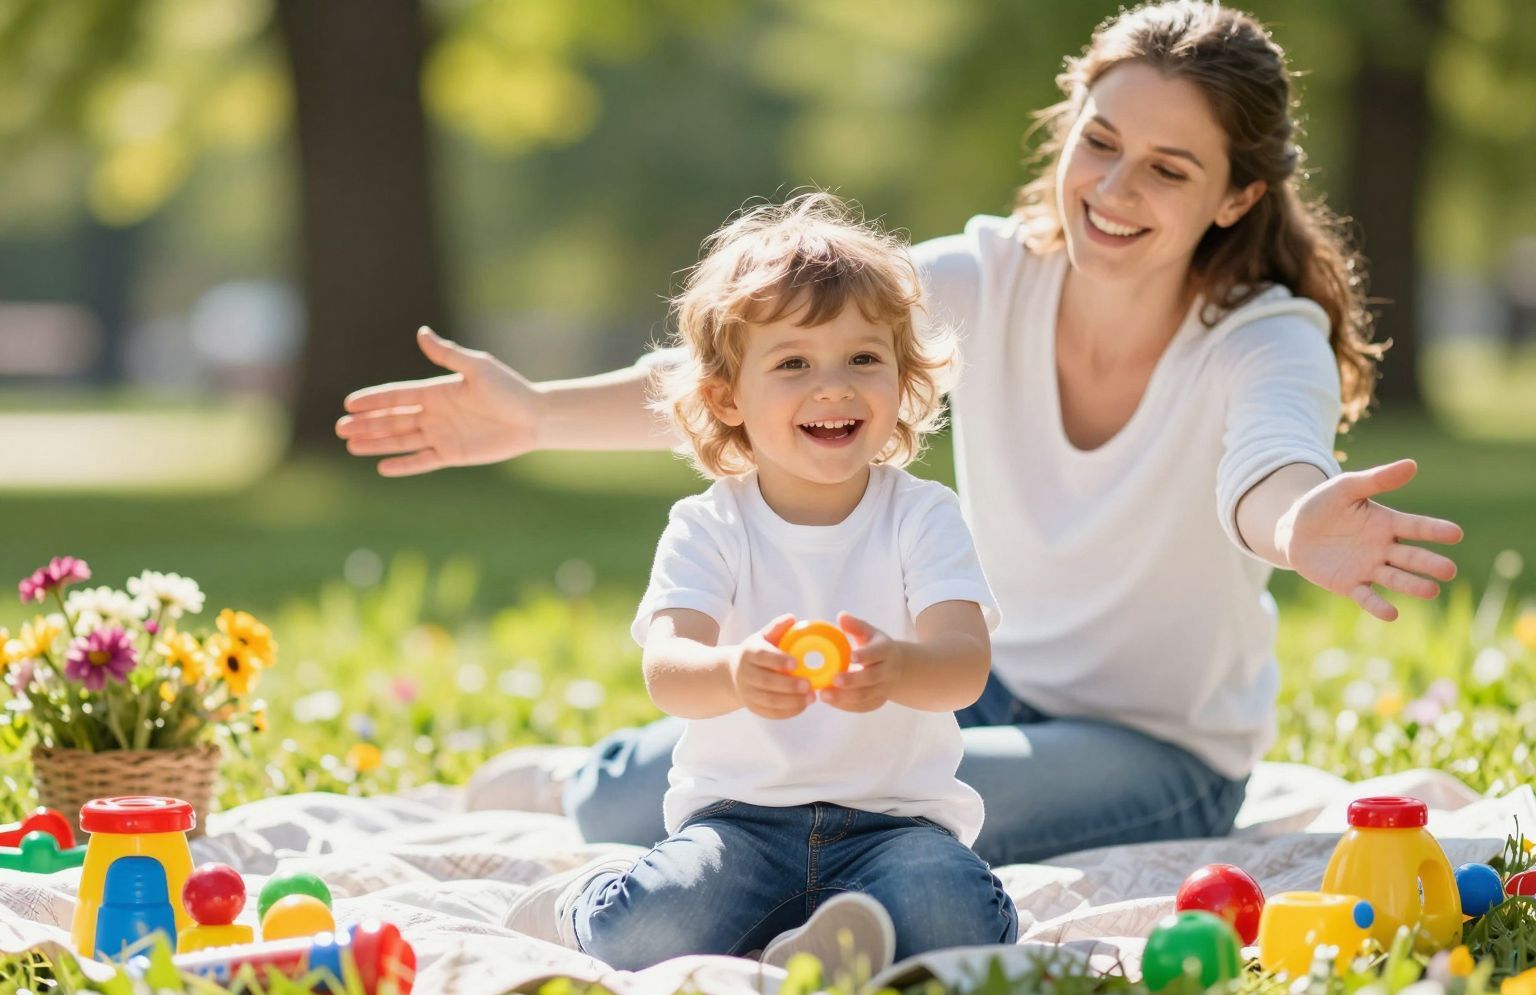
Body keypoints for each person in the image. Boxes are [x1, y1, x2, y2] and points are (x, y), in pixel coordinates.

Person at [336, 1, 1463, 871]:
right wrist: (533, 411)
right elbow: (764, 365)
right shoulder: (993, 273)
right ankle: (599, 780)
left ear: (1233, 196)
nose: (1113, 190)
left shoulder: (1266, 337)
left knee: (868, 802)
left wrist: (1298, 522)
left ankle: (624, 787)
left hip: (1153, 747)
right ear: (1067, 128)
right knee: (688, 792)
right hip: (978, 681)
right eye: (1100, 142)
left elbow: (1268, 459)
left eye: (1169, 169)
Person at [527, 193, 1017, 971]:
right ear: (728, 396)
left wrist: (901, 665)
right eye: (794, 363)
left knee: (952, 914)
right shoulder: (708, 526)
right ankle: (586, 904)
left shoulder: (923, 516)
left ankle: (814, 941)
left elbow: (964, 663)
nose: (835, 387)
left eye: (864, 358)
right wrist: (733, 672)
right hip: (741, 823)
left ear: (903, 376)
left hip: (897, 828)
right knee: (645, 936)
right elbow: (668, 669)